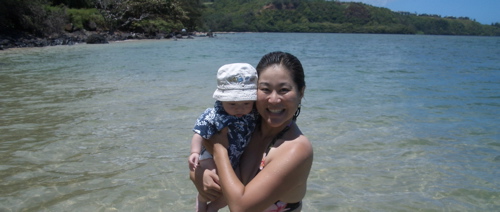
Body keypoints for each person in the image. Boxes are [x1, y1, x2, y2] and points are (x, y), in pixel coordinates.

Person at [190, 51, 313, 212]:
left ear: (301, 92)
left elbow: (241, 208)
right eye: (265, 89)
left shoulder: (295, 149)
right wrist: (202, 175)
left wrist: (220, 151)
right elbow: (201, 152)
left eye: (283, 90)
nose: (274, 99)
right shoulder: (245, 125)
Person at [189, 63, 259, 212]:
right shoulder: (214, 114)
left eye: (246, 103)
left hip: (235, 159)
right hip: (209, 155)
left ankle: (212, 208)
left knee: (235, 190)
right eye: (232, 103)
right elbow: (199, 132)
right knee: (215, 182)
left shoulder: (253, 114)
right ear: (222, 100)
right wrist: (194, 152)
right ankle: (201, 200)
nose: (239, 108)